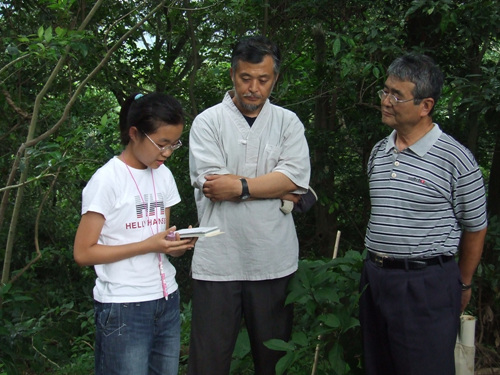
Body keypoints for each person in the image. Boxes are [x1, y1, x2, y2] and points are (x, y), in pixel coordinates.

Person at [187, 35, 311, 374]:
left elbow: (294, 179)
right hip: (217, 260)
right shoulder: (208, 122)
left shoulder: (287, 122)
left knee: (273, 363)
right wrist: (271, 186)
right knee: (208, 363)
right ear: (232, 75)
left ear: (275, 79)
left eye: (263, 79)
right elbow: (214, 185)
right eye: (245, 78)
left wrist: (240, 185)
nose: (253, 88)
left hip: (273, 260)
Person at [360, 54, 488, 375]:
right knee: (378, 366)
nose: (386, 101)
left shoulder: (456, 159)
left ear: (425, 105)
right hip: (375, 278)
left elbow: (475, 227)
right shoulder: (379, 151)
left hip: (424, 285)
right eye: (385, 91)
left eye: (397, 95)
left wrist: (464, 283)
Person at [73, 92, 195, 375]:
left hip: (166, 300)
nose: (166, 153)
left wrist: (174, 245)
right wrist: (148, 245)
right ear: (134, 133)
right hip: (123, 306)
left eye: (173, 145)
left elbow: (159, 237)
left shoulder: (162, 175)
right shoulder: (107, 181)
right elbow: (83, 252)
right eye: (161, 144)